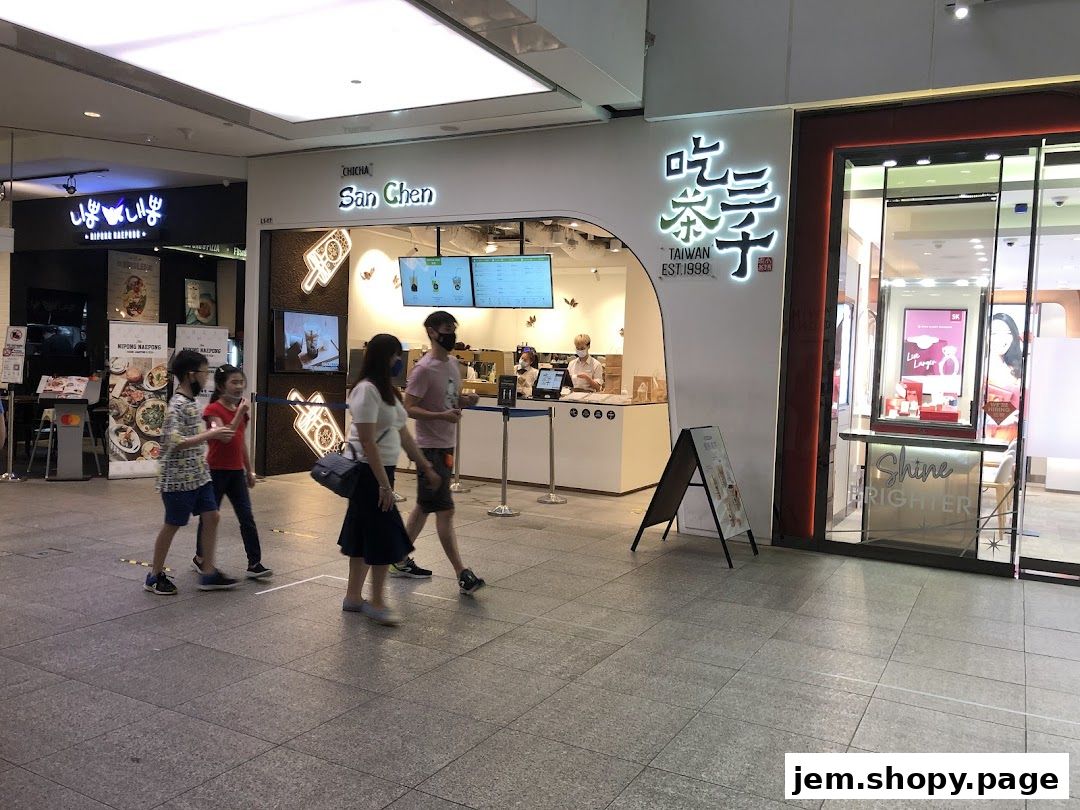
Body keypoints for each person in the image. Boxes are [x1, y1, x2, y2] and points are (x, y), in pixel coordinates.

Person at [339, 333, 441, 625]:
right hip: (368, 473)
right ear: (384, 357)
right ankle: (378, 602)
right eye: (396, 355)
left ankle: (353, 597)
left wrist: (425, 466)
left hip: (382, 472)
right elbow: (367, 441)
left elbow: (403, 434)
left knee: (363, 534)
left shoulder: (390, 393)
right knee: (383, 536)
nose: (399, 361)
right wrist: (383, 484)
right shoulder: (365, 390)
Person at [394, 311, 485, 594]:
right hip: (430, 447)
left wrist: (465, 400)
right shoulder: (423, 369)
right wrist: (441, 416)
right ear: (432, 332)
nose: (452, 334)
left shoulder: (453, 364)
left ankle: (398, 558)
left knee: (424, 506)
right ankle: (461, 572)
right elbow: (409, 408)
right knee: (445, 510)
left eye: (453, 329)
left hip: (446, 444)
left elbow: (449, 399)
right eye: (447, 329)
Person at [144, 350, 238, 595]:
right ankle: (154, 575)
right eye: (204, 373)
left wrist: (215, 430)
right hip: (177, 479)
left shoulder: (192, 402)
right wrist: (211, 434)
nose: (206, 378)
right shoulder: (176, 405)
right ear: (190, 375)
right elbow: (174, 441)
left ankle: (208, 572)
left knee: (212, 516)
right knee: (172, 524)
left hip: (198, 475)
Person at [193, 364, 273, 580]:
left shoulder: (240, 411)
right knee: (209, 516)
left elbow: (240, 443)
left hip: (236, 472)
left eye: (241, 382)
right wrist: (239, 413)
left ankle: (254, 563)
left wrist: (249, 470)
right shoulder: (212, 410)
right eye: (234, 382)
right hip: (215, 472)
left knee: (247, 517)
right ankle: (201, 558)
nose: (239, 386)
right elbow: (226, 436)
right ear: (221, 386)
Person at [986, 312, 1023, 443]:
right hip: (991, 436)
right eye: (995, 333)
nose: (1002, 339)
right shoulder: (980, 368)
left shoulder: (1017, 367)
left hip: (1015, 436)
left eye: (1007, 333)